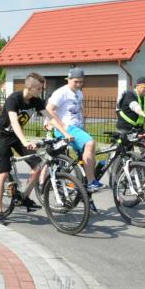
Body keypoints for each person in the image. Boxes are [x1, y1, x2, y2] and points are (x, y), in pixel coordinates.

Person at [0, 72, 73, 223]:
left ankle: (24, 197)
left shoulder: (36, 101)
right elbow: (14, 122)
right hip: (1, 136)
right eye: (39, 89)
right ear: (29, 88)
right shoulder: (13, 99)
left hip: (16, 137)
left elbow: (50, 118)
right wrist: (25, 141)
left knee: (38, 165)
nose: (41, 91)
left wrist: (65, 133)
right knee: (3, 172)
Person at [47, 68, 105, 206]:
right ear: (68, 79)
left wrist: (84, 127)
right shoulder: (61, 92)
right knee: (90, 143)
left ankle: (87, 196)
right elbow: (48, 110)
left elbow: (80, 111)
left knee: (90, 159)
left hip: (77, 129)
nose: (79, 84)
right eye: (76, 82)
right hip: (67, 129)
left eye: (81, 82)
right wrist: (62, 128)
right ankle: (91, 182)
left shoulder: (79, 93)